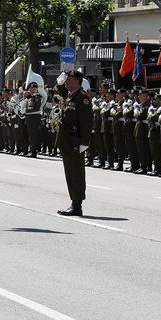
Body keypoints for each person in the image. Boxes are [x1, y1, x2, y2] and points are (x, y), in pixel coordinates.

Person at [56, 71, 89, 216]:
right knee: (69, 172)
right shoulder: (70, 96)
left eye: (68, 79)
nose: (66, 82)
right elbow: (60, 89)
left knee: (76, 172)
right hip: (66, 140)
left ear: (76, 81)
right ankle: (74, 202)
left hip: (75, 141)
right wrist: (59, 82)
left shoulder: (82, 98)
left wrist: (85, 142)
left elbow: (86, 122)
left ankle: (77, 205)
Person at [24, 81, 44, 158]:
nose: (31, 89)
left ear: (36, 89)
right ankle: (31, 149)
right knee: (30, 135)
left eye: (33, 88)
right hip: (29, 118)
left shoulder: (37, 97)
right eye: (30, 88)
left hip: (34, 118)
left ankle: (34, 151)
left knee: (33, 135)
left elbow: (36, 108)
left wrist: (26, 110)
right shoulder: (30, 97)